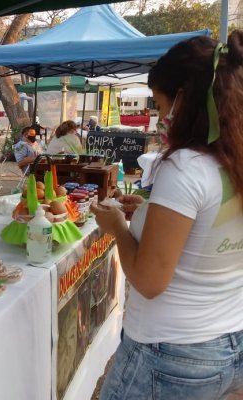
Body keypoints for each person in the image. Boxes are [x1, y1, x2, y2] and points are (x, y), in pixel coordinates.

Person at [92, 31, 243, 399]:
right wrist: (150, 213)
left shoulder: (185, 166)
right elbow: (207, 234)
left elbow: (148, 280)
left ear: (182, 98)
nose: (160, 117)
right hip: (229, 341)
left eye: (159, 104)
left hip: (169, 356)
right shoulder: (233, 160)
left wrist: (117, 229)